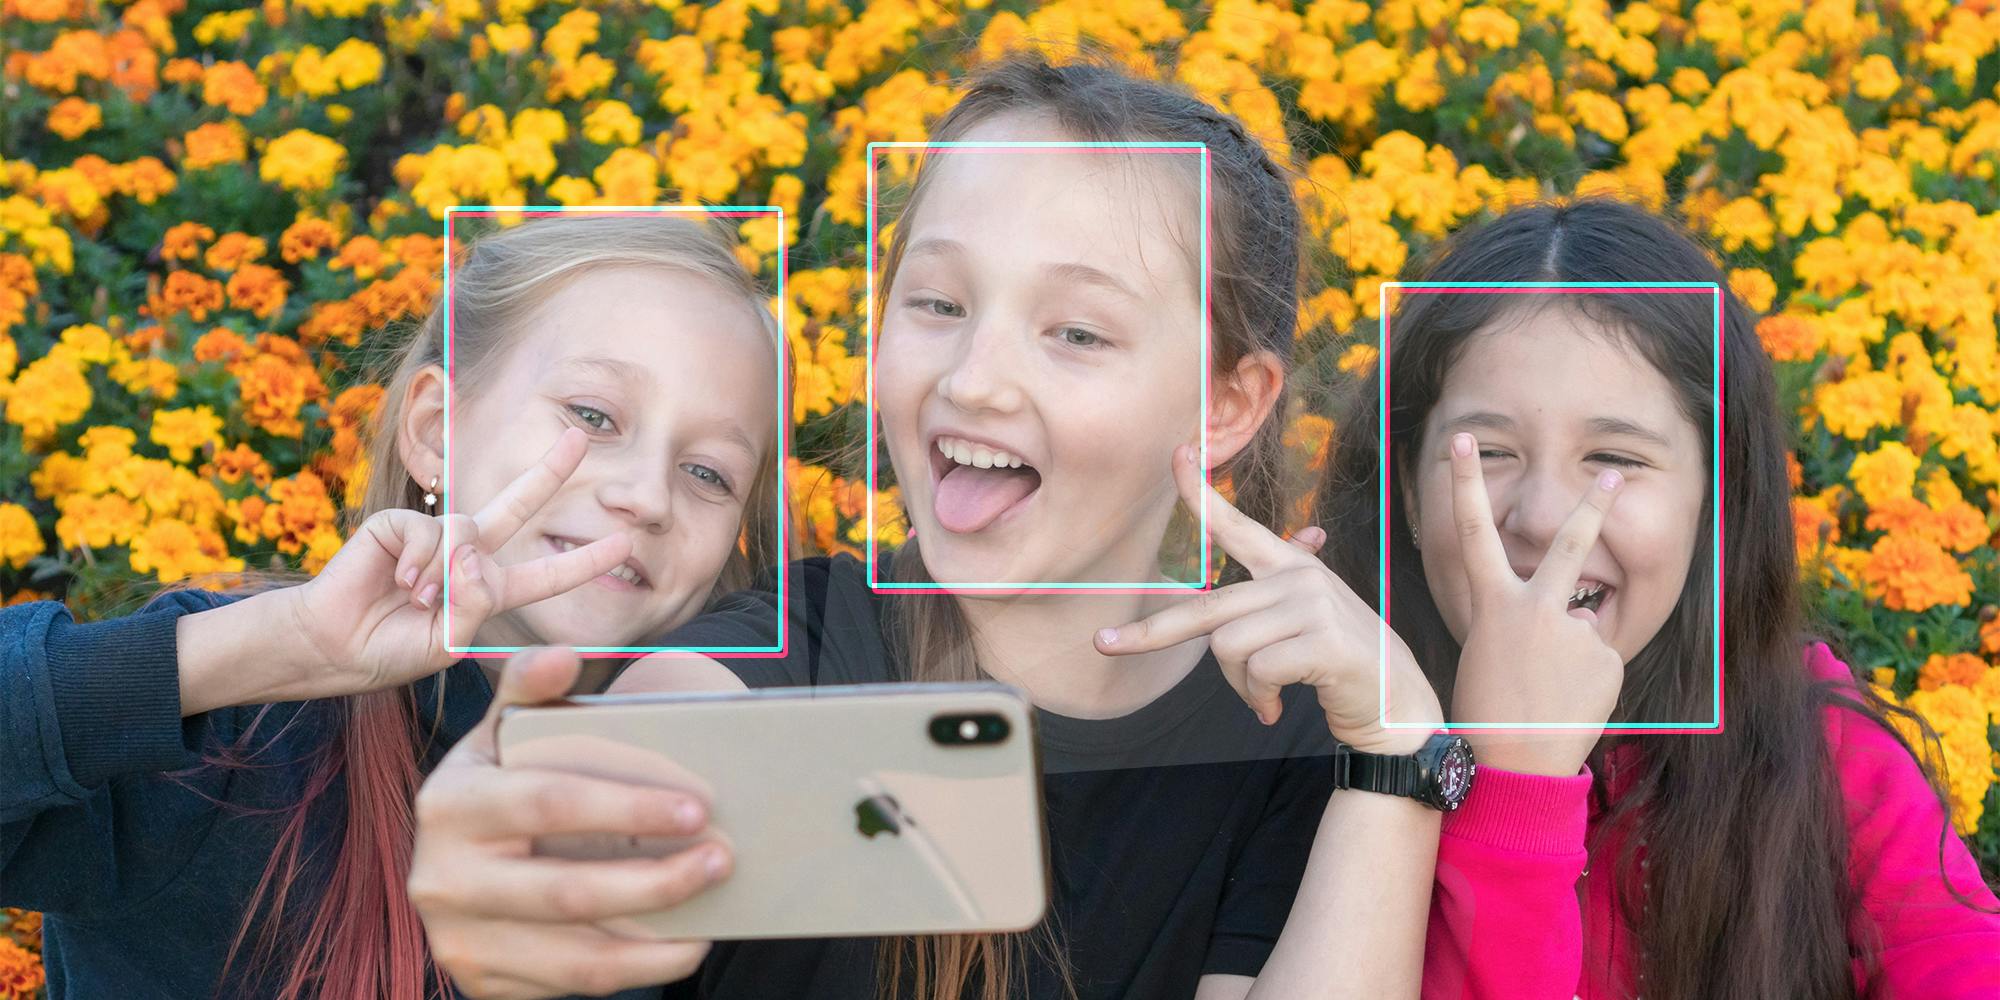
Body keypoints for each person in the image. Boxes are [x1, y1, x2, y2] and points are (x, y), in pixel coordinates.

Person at [409, 54, 1462, 1000]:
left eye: (1076, 331)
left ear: (1224, 404)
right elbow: (631, 791)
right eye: (939, 305)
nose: (973, 380)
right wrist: (532, 862)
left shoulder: (1278, 732)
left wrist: (1398, 750)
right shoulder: (777, 663)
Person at [0, 212, 786, 1000]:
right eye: (593, 416)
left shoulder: (700, 815)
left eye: (709, 473)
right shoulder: (233, 738)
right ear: (437, 432)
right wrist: (281, 645)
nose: (647, 496)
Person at [1313, 197, 2000, 998]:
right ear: (1404, 493)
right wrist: (1517, 789)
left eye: (1614, 457)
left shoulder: (1825, 754)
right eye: (1486, 451)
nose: (1541, 518)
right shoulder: (1321, 750)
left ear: (1715, 499)